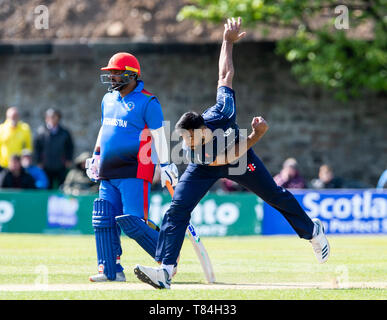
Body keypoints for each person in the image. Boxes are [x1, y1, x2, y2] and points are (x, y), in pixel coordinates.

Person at [134, 18, 330, 290]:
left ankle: (312, 232)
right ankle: (166, 269)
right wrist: (256, 135)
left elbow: (224, 75)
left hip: (241, 158)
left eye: (190, 138)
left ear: (202, 129)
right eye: (184, 139)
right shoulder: (198, 153)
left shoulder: (222, 111)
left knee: (274, 195)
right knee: (178, 209)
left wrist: (228, 42)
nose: (187, 144)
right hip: (211, 165)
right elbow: (220, 159)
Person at [85, 52, 179, 282]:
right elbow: (104, 129)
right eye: (111, 74)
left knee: (133, 223)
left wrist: (166, 163)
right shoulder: (108, 100)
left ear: (131, 75)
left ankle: (168, 261)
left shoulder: (148, 101)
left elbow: (159, 135)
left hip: (135, 170)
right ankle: (111, 271)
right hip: (108, 170)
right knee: (103, 217)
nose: (112, 78)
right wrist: (95, 155)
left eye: (116, 73)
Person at [34, 108, 74, 189]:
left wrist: (68, 160)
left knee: (62, 187)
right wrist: (39, 162)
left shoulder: (65, 132)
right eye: (48, 117)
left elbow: (70, 147)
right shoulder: (40, 132)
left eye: (53, 117)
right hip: (46, 166)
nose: (51, 119)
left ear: (58, 118)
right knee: (47, 187)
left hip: (61, 166)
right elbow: (37, 148)